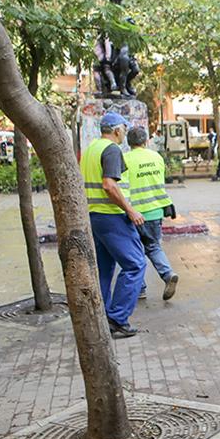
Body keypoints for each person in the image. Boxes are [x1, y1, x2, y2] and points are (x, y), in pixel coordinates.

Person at [80, 112, 146, 339]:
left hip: (95, 216)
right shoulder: (111, 150)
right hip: (113, 217)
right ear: (117, 130)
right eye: (124, 130)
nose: (125, 134)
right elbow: (109, 185)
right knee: (135, 265)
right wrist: (130, 210)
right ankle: (117, 318)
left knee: (105, 270)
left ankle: (99, 316)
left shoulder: (91, 149)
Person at [125, 127, 180, 302]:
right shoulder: (156, 157)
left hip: (134, 213)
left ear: (128, 142)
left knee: (135, 251)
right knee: (153, 246)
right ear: (146, 141)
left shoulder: (125, 159)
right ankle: (167, 274)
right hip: (156, 210)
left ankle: (140, 288)